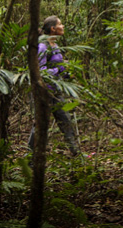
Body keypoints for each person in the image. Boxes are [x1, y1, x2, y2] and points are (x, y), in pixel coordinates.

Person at [28, 16, 80, 156]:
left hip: (55, 92)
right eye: (60, 24)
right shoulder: (42, 46)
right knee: (39, 125)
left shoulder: (54, 45)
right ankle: (30, 157)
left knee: (65, 121)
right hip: (43, 92)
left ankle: (76, 153)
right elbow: (41, 71)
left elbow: (57, 67)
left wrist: (67, 72)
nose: (63, 26)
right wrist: (58, 70)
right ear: (53, 29)